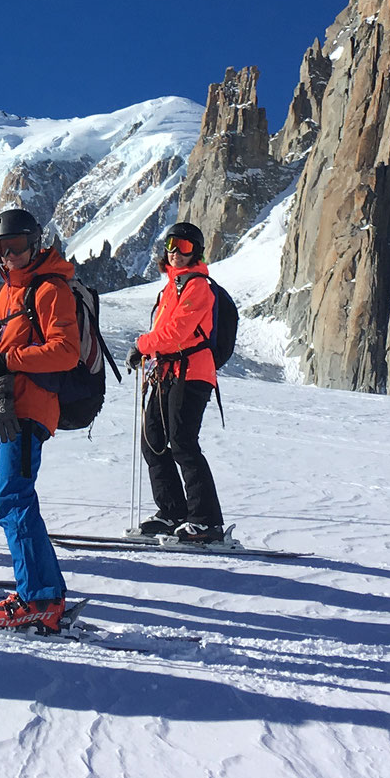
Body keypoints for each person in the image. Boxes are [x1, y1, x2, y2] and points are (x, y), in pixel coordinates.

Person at [0, 206, 81, 633]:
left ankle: (40, 599)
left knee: (13, 500)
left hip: (28, 410)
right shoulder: (5, 294)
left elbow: (65, 351)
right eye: (1, 248)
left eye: (17, 246)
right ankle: (43, 592)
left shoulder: (50, 290)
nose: (10, 256)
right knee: (1, 503)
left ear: (35, 243)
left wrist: (1, 359)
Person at [132, 220, 226, 542]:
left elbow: (176, 334)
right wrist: (148, 352)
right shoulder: (172, 286)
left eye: (184, 247)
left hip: (193, 373)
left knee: (183, 443)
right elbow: (164, 335)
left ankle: (206, 521)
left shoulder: (199, 287)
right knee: (153, 440)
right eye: (171, 244)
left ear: (195, 252)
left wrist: (141, 345)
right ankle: (172, 511)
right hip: (167, 373)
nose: (175, 253)